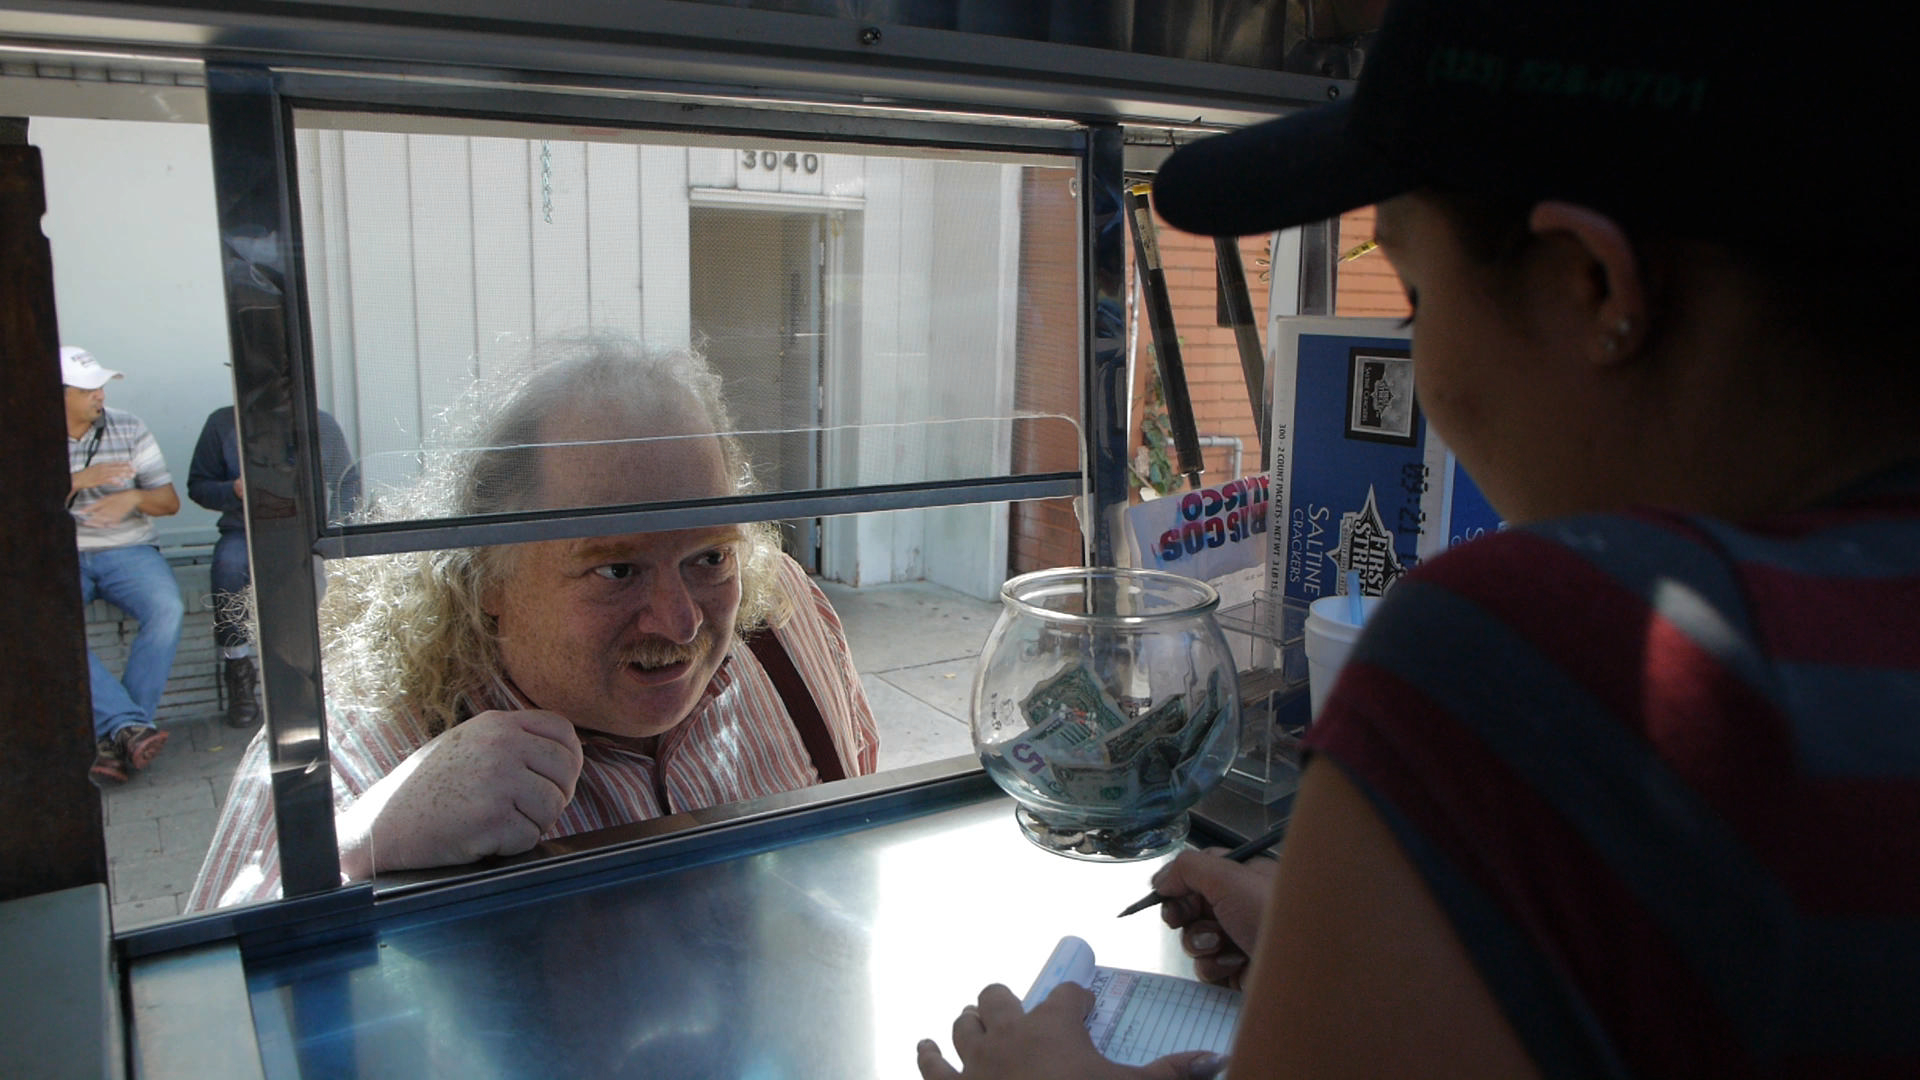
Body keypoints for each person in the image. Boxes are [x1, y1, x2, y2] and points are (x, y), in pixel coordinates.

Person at [919, 1, 1920, 1077]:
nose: (1420, 370)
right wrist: (1383, 964)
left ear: (1590, 285)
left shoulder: (1533, 655)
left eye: (1413, 296)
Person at [188, 339, 878, 909]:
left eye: (710, 557)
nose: (680, 621)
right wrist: (361, 849)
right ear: (488, 575)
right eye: (617, 569)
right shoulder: (349, 757)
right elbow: (216, 998)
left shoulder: (784, 618)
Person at [187, 403, 359, 727]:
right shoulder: (222, 423)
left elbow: (348, 480)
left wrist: (336, 532)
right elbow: (198, 486)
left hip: (304, 532)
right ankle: (238, 670)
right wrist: (231, 490)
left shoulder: (319, 423)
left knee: (313, 580)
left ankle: (315, 678)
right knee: (227, 567)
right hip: (243, 530)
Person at [63, 345, 185, 787]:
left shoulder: (129, 427)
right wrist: (78, 481)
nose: (100, 395)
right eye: (87, 389)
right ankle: (129, 729)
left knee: (167, 609)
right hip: (60, 554)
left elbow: (169, 502)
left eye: (101, 386)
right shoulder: (24, 436)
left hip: (128, 548)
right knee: (46, 621)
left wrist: (133, 497)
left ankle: (117, 735)